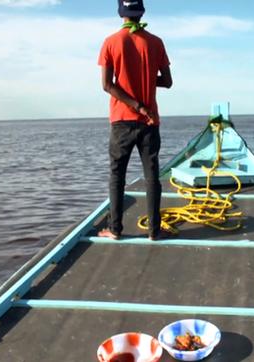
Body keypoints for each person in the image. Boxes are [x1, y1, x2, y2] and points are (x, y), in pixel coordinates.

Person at [97, 0, 172, 240]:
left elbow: (108, 85)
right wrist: (147, 85)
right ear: (142, 12)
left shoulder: (111, 42)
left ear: (121, 12)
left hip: (122, 120)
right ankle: (154, 231)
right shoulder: (156, 42)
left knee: (117, 175)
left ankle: (116, 229)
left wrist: (134, 105)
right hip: (150, 121)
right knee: (152, 176)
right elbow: (168, 81)